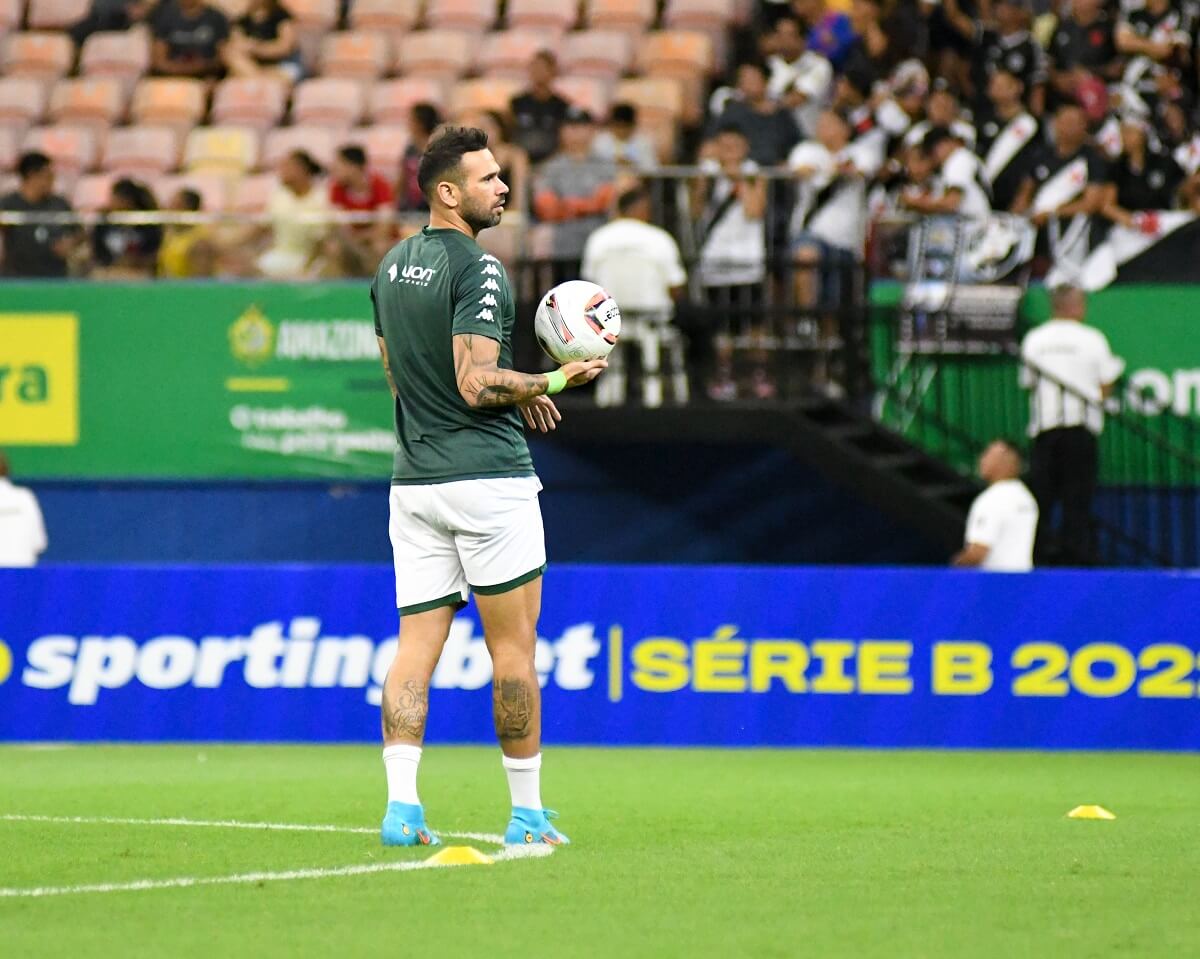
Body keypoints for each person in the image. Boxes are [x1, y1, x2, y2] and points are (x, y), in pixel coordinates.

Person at [369, 125, 606, 848]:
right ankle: (527, 815)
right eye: (489, 178)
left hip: (414, 482)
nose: (503, 188)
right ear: (448, 192)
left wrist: (515, 385)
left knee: (415, 647)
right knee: (513, 650)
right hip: (487, 481)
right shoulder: (482, 267)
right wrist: (556, 377)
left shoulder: (389, 266)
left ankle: (401, 807)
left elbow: (398, 379)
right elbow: (476, 384)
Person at [1019, 284, 1124, 565]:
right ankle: (1072, 558)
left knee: (1042, 495)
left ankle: (1036, 555)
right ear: (1077, 306)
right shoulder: (1093, 339)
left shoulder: (1035, 339)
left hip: (1046, 428)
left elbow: (1028, 382)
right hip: (1080, 430)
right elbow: (1106, 385)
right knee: (1076, 499)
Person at [582, 184, 688, 406]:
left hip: (609, 320)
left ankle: (607, 400)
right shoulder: (660, 238)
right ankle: (655, 400)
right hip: (653, 318)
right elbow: (676, 287)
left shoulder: (598, 238)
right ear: (642, 208)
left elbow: (589, 284)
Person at [693, 125, 769, 401]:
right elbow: (696, 209)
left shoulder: (753, 173)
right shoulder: (710, 174)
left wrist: (738, 179)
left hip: (748, 260)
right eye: (724, 146)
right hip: (716, 261)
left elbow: (754, 210)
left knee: (753, 324)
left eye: (735, 146)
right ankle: (724, 376)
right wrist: (704, 178)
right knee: (721, 326)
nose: (730, 153)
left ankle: (757, 374)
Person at [531, 106, 617, 280]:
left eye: (582, 126)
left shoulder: (607, 165)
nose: (576, 132)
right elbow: (546, 207)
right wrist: (589, 205)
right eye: (570, 127)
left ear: (593, 130)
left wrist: (569, 206)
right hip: (562, 244)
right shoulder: (550, 167)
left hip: (600, 241)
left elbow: (608, 199)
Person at [952, 439, 1039, 572]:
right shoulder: (1027, 499)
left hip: (994, 585)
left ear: (1008, 461)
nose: (982, 460)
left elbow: (977, 554)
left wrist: (950, 572)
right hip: (1024, 583)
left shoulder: (992, 499)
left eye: (988, 454)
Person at [708, 61, 802, 166]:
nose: (747, 83)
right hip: (741, 171)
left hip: (775, 173)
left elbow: (798, 145)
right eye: (743, 79)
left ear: (765, 80)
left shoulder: (782, 114)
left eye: (752, 78)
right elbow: (711, 144)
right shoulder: (732, 112)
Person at [0, 152, 78, 278]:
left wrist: (70, 242)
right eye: (48, 176)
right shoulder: (8, 204)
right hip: (16, 277)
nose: (52, 181)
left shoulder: (60, 204)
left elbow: (78, 232)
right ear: (32, 175)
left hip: (55, 277)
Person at [974, 68, 1041, 212]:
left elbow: (1036, 163)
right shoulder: (982, 121)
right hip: (984, 196)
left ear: (1019, 87)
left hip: (1016, 199)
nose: (999, 89)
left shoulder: (1032, 124)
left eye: (1004, 85)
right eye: (995, 85)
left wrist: (1024, 196)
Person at [256, 149, 329, 279]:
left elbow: (322, 241)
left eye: (286, 166)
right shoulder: (278, 195)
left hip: (312, 259)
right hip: (280, 255)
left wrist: (305, 269)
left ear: (302, 169)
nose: (281, 172)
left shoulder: (322, 198)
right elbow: (262, 228)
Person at [329, 143, 394, 266]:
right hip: (350, 241)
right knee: (333, 247)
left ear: (353, 167)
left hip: (374, 239)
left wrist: (364, 237)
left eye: (338, 166)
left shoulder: (380, 185)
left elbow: (384, 226)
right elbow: (340, 226)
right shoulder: (336, 188)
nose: (334, 170)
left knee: (380, 246)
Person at [91, 177, 162, 278]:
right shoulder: (104, 222)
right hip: (109, 270)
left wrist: (136, 261)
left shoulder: (147, 223)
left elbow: (154, 254)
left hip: (138, 272)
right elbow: (97, 252)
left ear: (128, 200)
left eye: (117, 199)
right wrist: (113, 263)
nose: (113, 203)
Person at [509, 49, 570, 165]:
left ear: (553, 71)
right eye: (534, 67)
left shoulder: (562, 105)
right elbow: (509, 133)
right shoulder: (517, 102)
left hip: (551, 158)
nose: (537, 72)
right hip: (520, 158)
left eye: (543, 68)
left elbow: (565, 139)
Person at [223, 0, 301, 83]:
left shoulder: (282, 17)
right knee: (231, 55)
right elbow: (236, 46)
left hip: (281, 66)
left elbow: (284, 48)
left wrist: (255, 47)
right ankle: (259, 78)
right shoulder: (242, 21)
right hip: (254, 66)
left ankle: (258, 78)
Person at [150, 0, 230, 79]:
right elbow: (158, 61)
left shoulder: (217, 18)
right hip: (171, 78)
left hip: (208, 78)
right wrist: (184, 68)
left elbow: (222, 58)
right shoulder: (164, 17)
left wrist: (205, 67)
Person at [0, 452, 48, 568]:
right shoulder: (25, 498)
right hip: (22, 579)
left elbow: (39, 543)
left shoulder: (25, 498)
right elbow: (40, 544)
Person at [158, 187, 217, 277]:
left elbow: (201, 279)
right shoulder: (169, 234)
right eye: (170, 204)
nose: (170, 209)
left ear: (189, 209)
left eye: (176, 205)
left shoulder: (200, 241)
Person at [396, 102, 442, 214]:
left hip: (432, 207)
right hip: (410, 207)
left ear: (420, 123)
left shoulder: (439, 148)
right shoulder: (410, 149)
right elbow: (402, 178)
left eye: (411, 120)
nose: (408, 123)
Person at [589, 103, 658, 172]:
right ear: (611, 125)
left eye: (625, 126)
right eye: (618, 126)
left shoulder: (643, 143)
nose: (621, 131)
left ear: (633, 126)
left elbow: (651, 169)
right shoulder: (600, 141)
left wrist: (632, 166)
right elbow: (595, 168)